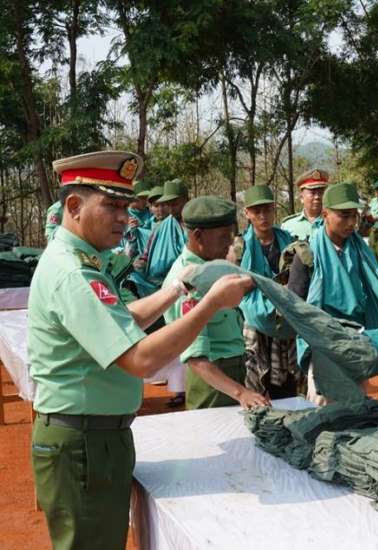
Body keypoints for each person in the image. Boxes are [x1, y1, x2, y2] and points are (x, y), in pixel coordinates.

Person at [29, 151, 255, 550]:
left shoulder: (82, 262)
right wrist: (210, 304)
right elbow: (140, 359)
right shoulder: (74, 273)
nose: (125, 218)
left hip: (94, 437)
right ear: (75, 206)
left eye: (126, 207)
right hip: (83, 442)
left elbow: (122, 319)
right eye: (112, 206)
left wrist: (179, 288)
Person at [286, 182, 378, 404]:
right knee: (324, 412)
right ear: (326, 214)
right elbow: (295, 306)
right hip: (324, 349)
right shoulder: (308, 255)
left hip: (356, 343)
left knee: (357, 408)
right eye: (344, 215)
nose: (351, 223)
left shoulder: (360, 251)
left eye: (354, 215)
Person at [162, 196, 268, 410]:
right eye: (223, 237)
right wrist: (241, 393)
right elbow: (196, 358)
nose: (230, 243)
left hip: (233, 372)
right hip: (211, 383)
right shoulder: (188, 283)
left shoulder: (212, 268)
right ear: (198, 236)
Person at [238, 185, 299, 399]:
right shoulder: (240, 247)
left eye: (267, 210)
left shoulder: (290, 242)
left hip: (285, 319)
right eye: (257, 211)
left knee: (287, 383)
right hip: (254, 322)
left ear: (274, 210)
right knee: (255, 377)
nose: (263, 216)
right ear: (247, 213)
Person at [131, 178, 190, 297]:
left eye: (175, 204)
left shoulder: (195, 226)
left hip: (188, 281)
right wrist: (140, 262)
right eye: (168, 204)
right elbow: (147, 253)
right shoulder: (162, 227)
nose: (171, 209)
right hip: (159, 282)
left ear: (187, 201)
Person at [281, 168, 329, 241]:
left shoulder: (332, 222)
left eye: (320, 192)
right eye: (312, 193)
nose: (317, 197)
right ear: (301, 198)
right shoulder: (288, 226)